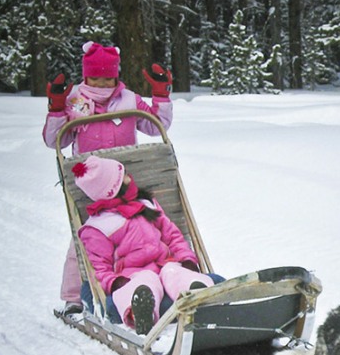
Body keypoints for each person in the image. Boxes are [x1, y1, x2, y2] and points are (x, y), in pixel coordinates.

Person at [43, 40, 174, 316]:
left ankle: (148, 284)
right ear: (85, 75)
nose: (102, 84)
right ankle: (73, 298)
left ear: (116, 76)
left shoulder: (128, 99)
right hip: (90, 185)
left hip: (125, 179)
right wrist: (57, 108)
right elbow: (56, 140)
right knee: (86, 237)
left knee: (139, 232)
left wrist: (160, 95)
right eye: (96, 78)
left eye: (108, 78)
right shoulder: (75, 100)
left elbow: (155, 126)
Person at [72, 155, 214, 335]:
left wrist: (187, 259)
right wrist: (116, 283)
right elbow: (99, 268)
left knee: (175, 272)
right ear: (113, 189)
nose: (129, 177)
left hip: (166, 266)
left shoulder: (146, 205)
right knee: (146, 281)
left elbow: (173, 236)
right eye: (123, 176)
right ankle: (140, 311)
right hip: (133, 276)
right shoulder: (99, 227)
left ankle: (199, 296)